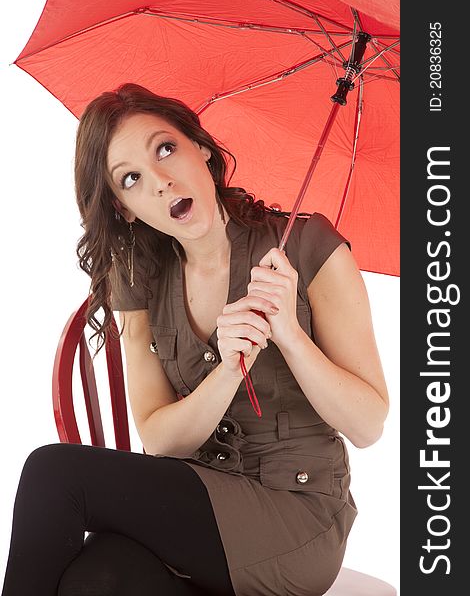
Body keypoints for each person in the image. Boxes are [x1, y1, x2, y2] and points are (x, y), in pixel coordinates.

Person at [1, 83, 389, 596]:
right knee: (97, 577)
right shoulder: (141, 278)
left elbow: (367, 427)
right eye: (132, 179)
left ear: (201, 148)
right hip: (197, 507)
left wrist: (290, 336)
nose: (160, 181)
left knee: (54, 473)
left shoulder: (307, 246)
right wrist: (227, 371)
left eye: (166, 148)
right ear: (125, 209)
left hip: (297, 516)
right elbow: (162, 439)